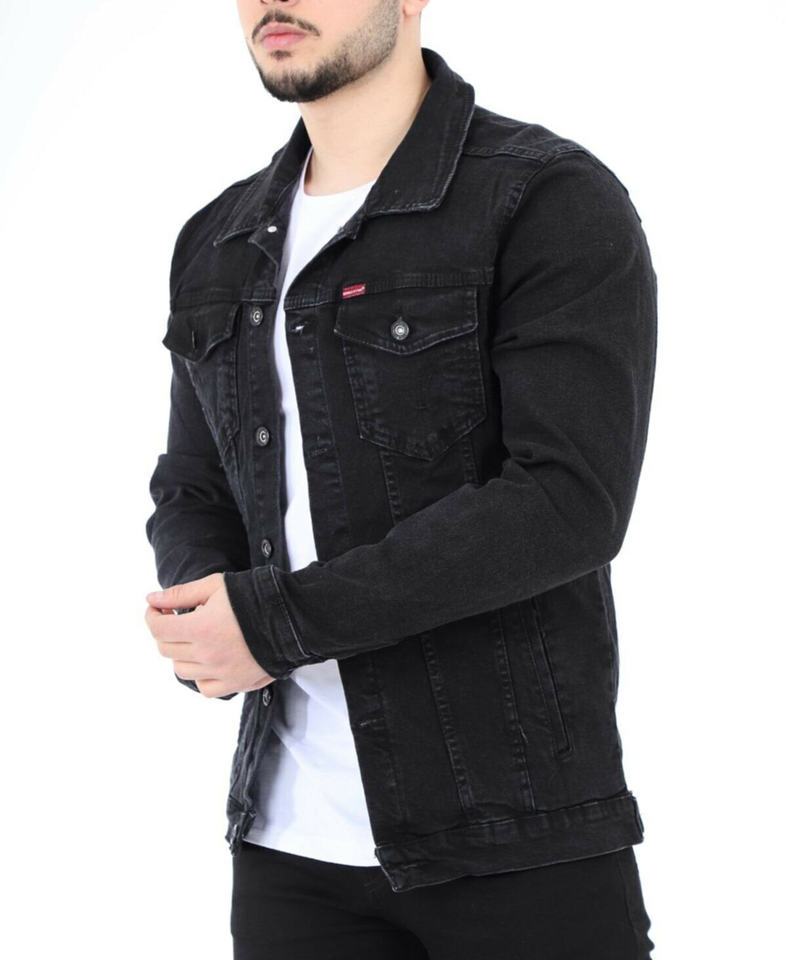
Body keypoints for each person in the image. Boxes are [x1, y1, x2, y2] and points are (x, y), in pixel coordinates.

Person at [144, 1, 658, 957]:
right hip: (286, 855)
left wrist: (276, 625)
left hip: (516, 841)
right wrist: (205, 610)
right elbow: (193, 480)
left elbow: (567, 502)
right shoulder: (217, 239)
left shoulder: (544, 198)